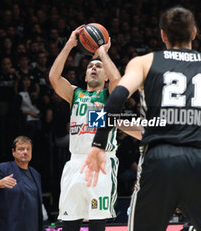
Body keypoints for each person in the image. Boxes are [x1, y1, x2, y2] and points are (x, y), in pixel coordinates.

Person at [82, 6, 201, 231]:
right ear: (194, 33)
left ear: (162, 34)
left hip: (158, 159)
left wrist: (98, 143)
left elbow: (117, 96)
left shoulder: (144, 62)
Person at [49, 25, 121, 231]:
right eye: (90, 66)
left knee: (97, 223)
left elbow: (117, 79)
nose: (94, 68)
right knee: (69, 224)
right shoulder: (75, 94)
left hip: (101, 161)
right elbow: (54, 77)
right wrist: (70, 44)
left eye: (99, 66)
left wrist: (101, 53)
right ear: (84, 75)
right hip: (75, 163)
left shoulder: (109, 95)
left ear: (105, 76)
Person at [0, 136, 43, 231]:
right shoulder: (4, 169)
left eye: (28, 149)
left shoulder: (35, 174)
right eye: (21, 149)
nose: (25, 152)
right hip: (10, 227)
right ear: (13, 152)